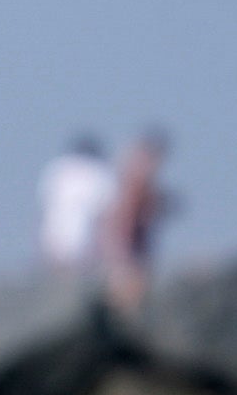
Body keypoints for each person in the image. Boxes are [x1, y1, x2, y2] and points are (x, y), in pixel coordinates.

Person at [100, 129, 175, 313]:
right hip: (129, 254)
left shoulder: (134, 180)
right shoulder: (136, 181)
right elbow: (125, 220)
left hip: (131, 251)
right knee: (127, 301)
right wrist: (122, 252)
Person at [37, 134, 114, 276]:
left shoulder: (57, 170)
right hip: (85, 246)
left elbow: (45, 211)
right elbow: (105, 218)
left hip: (55, 243)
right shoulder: (99, 174)